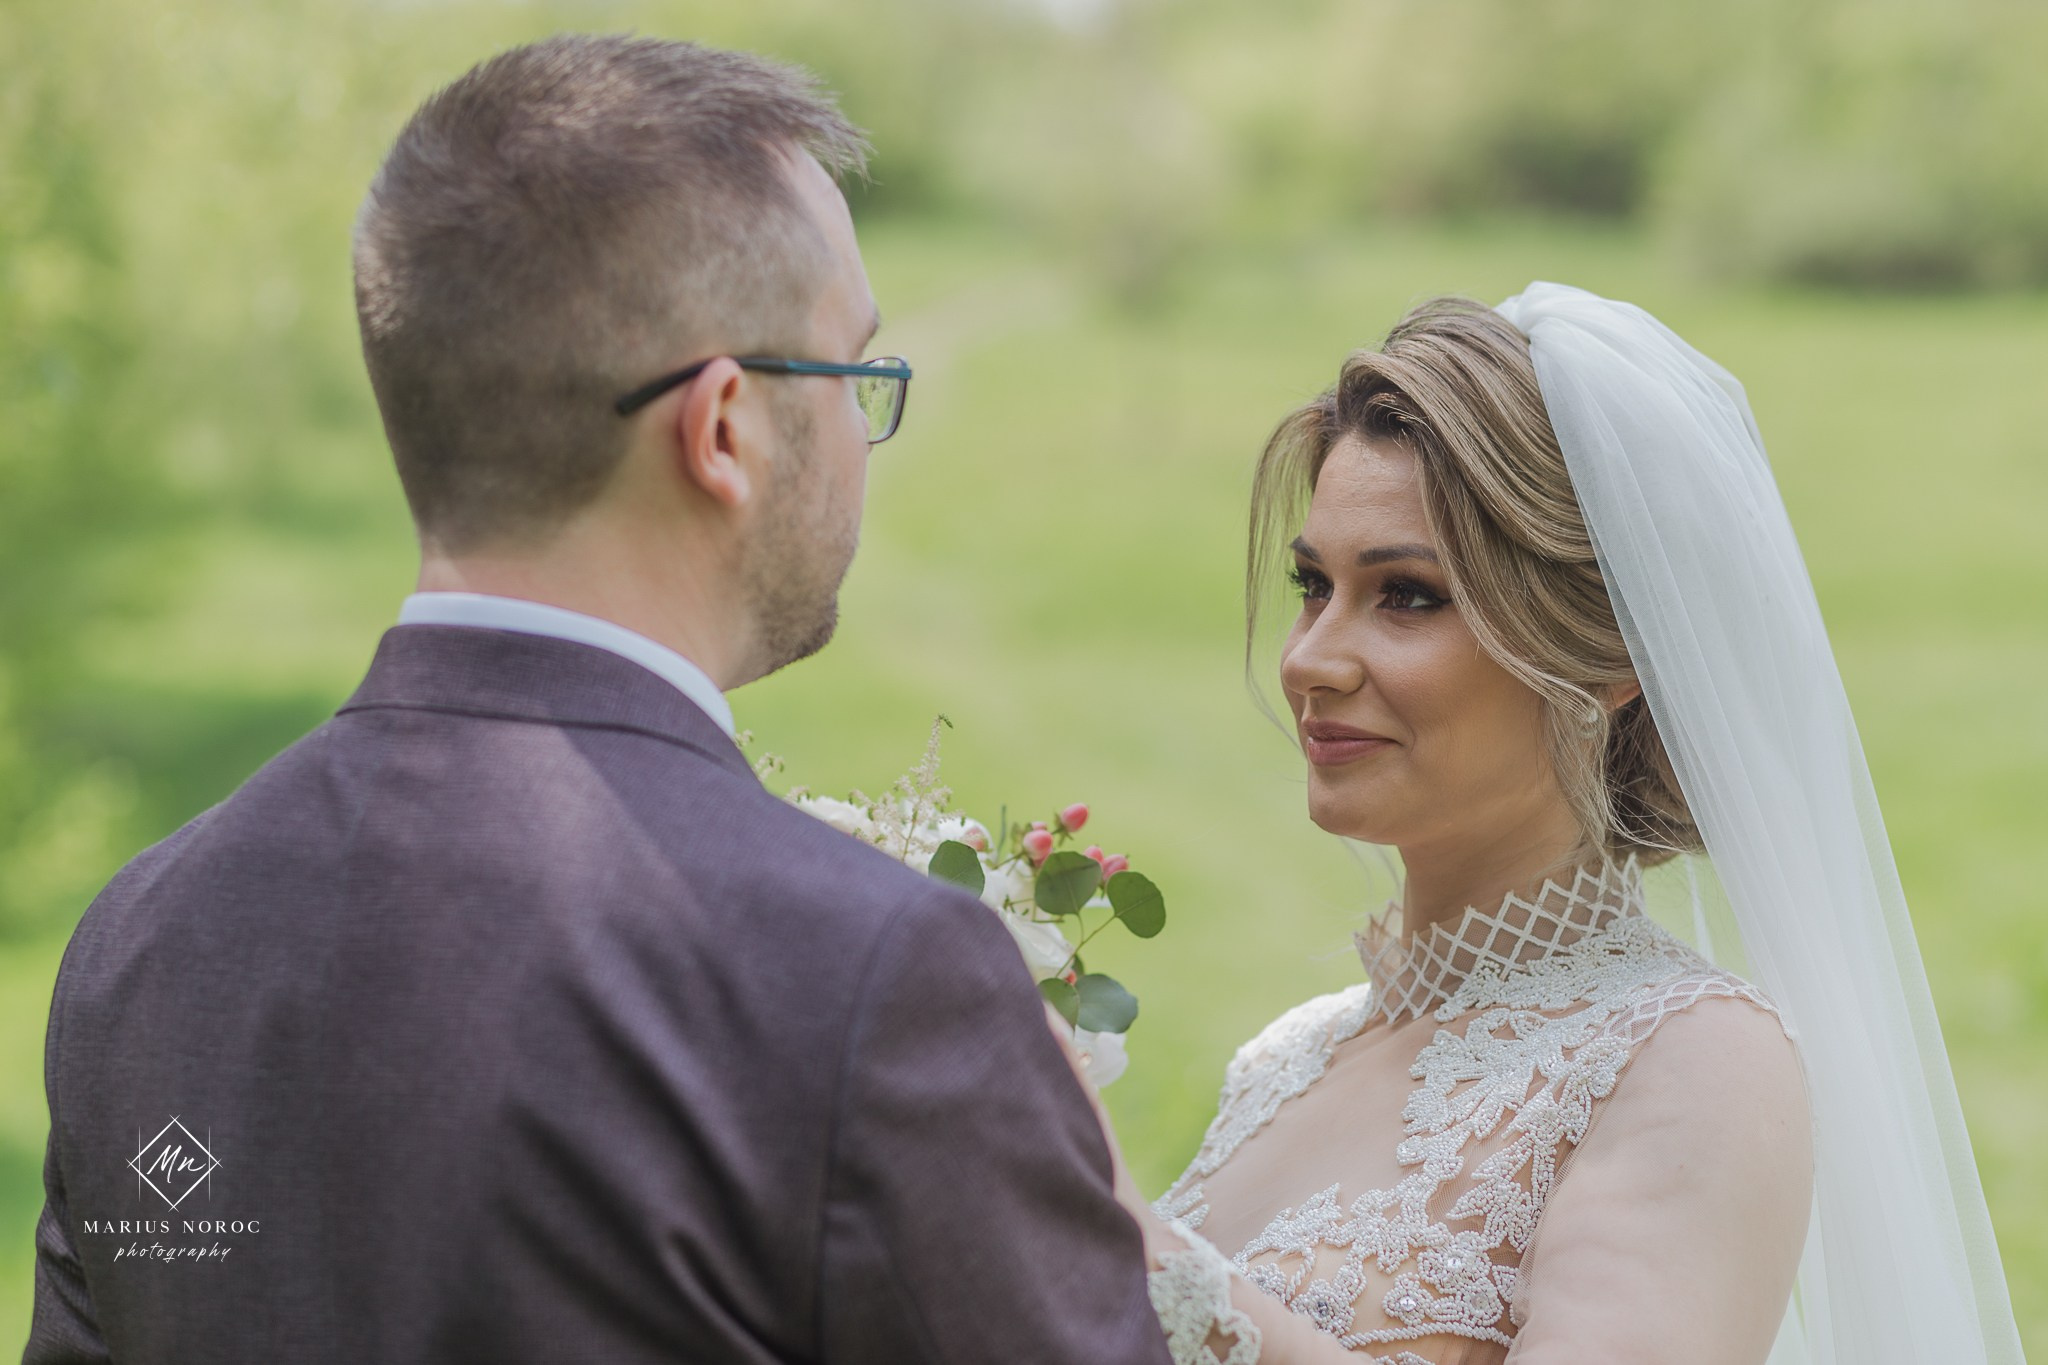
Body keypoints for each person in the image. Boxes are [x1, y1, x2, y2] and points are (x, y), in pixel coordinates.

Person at [25, 36, 1173, 1364]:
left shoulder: (144, 947)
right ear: (725, 427)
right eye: (855, 373)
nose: (867, 432)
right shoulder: (877, 981)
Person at [1093, 290, 2025, 1364]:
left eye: (1405, 597)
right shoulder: (1280, 1062)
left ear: (1602, 658)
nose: (1310, 658)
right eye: (1313, 586)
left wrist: (1127, 1236)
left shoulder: (1691, 1060)